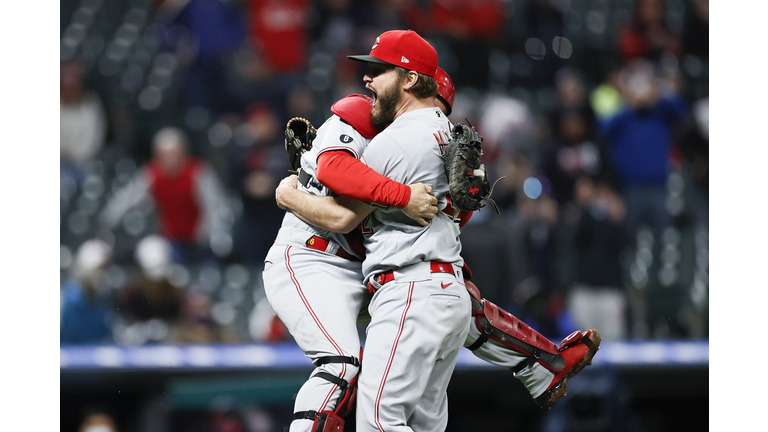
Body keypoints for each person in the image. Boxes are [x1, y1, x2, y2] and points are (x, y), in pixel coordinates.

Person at [269, 30, 600, 432]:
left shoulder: (391, 140)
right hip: (445, 292)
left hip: (406, 289)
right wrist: (403, 195)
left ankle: (542, 363)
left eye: (378, 70)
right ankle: (541, 363)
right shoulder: (454, 143)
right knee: (422, 422)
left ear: (411, 80)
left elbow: (340, 202)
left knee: (376, 419)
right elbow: (453, 214)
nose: (367, 80)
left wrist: (293, 190)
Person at [99, 127, 229, 264]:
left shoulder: (199, 173)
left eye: (174, 154)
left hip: (200, 240)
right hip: (170, 239)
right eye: (165, 155)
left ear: (183, 152)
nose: (170, 160)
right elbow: (127, 198)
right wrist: (109, 218)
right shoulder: (152, 174)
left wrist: (206, 236)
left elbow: (214, 206)